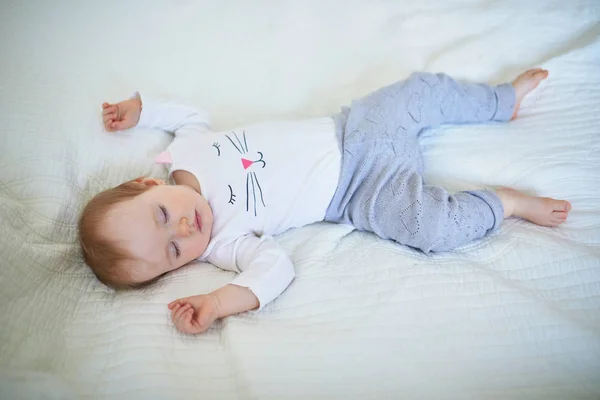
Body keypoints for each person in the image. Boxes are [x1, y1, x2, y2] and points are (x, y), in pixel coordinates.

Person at [79, 68, 571, 334]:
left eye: (164, 216)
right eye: (172, 252)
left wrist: (142, 111)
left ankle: (500, 101)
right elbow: (274, 269)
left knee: (421, 89)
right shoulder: (223, 244)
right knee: (431, 230)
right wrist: (218, 302)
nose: (185, 230)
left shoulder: (186, 147)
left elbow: (189, 114)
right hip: (359, 190)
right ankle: (504, 204)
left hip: (355, 126)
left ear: (148, 184)